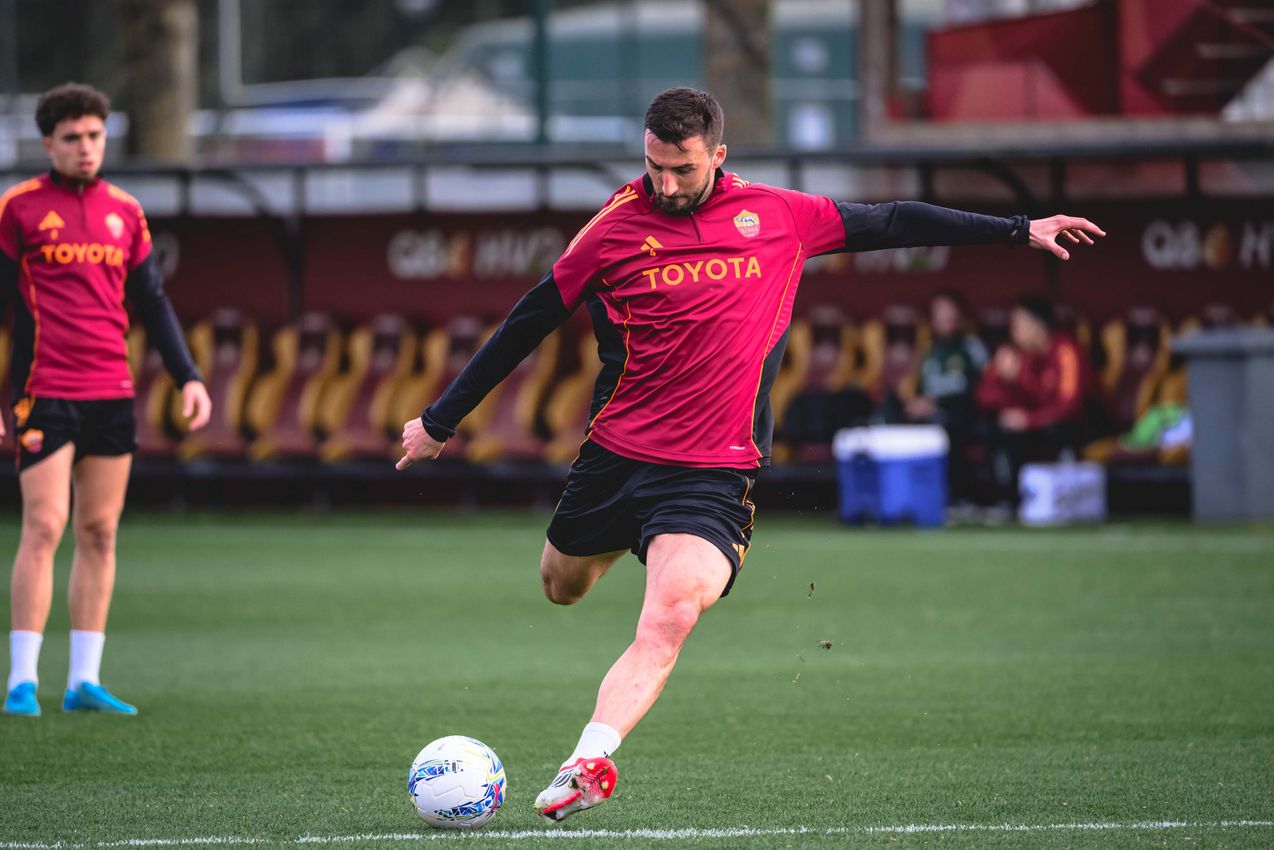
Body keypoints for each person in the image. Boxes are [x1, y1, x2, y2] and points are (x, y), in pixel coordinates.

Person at [396, 87, 1103, 821]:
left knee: (670, 613)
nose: (664, 185)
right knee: (560, 586)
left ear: (719, 156)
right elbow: (530, 318)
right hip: (616, 458)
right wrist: (441, 421)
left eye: (682, 170)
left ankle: (588, 760)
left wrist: (1020, 228)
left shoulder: (779, 217)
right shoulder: (612, 227)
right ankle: (611, 561)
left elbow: (893, 220)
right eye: (653, 168)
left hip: (711, 472)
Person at [1, 83, 212, 717]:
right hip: (43, 392)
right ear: (48, 143)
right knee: (44, 525)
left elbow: (152, 302)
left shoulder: (126, 211)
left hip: (112, 394)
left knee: (100, 531)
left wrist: (189, 376)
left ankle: (83, 681)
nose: (86, 147)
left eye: (94, 136)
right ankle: (21, 681)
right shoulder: (17, 209)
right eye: (72, 138)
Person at [976, 295, 1096, 505]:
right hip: (1033, 423)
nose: (1014, 330)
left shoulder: (1065, 350)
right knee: (996, 427)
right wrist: (1007, 380)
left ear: (1038, 325)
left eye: (1019, 323)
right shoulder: (1015, 354)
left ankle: (1065, 499)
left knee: (1058, 429)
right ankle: (1007, 500)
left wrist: (1029, 420)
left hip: (1076, 423)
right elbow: (984, 396)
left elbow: (1071, 404)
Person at [883, 289, 988, 504]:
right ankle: (900, 496)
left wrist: (936, 404)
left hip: (963, 413)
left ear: (959, 315)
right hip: (929, 411)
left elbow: (981, 388)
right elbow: (919, 386)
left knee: (948, 423)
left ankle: (958, 497)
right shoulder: (930, 350)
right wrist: (916, 403)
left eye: (947, 310)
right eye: (937, 312)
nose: (942, 317)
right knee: (891, 411)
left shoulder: (971, 346)